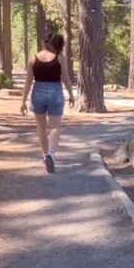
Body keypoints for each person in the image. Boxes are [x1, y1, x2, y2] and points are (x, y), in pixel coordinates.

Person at [19, 32, 76, 173]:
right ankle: (51, 154)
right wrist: (71, 95)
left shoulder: (33, 58)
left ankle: (45, 156)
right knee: (55, 127)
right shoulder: (60, 57)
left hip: (37, 92)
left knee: (41, 127)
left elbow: (28, 81)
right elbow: (66, 78)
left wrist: (23, 101)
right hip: (55, 92)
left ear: (44, 43)